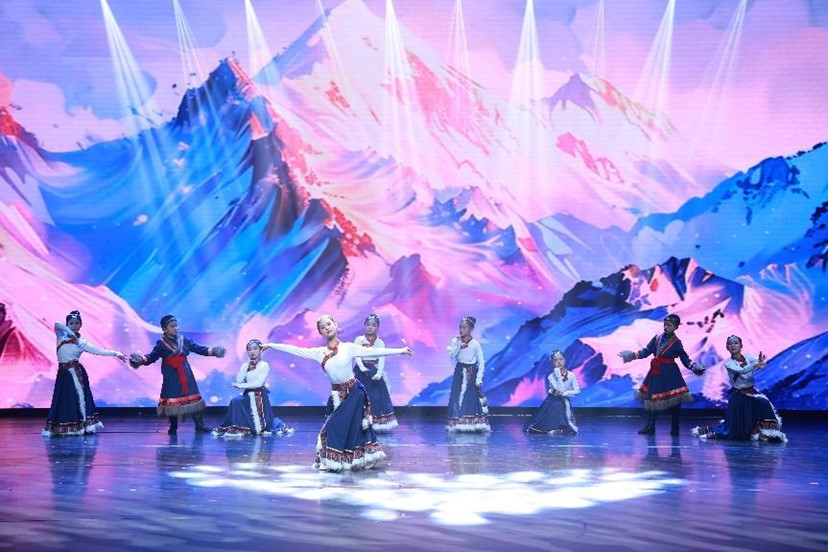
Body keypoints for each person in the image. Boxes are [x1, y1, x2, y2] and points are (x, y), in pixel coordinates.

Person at [262, 314, 412, 471]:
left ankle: (360, 458)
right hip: (336, 396)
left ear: (336, 324)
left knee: (345, 428)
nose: (327, 328)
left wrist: (401, 350)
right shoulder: (319, 353)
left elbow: (376, 351)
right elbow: (295, 350)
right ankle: (347, 460)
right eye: (322, 327)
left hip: (354, 393)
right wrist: (271, 345)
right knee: (344, 429)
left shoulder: (349, 348)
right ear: (320, 332)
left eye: (329, 324)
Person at [129, 315, 225, 434]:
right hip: (171, 375)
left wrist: (214, 351)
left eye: (176, 326)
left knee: (193, 399)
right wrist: (140, 359)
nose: (176, 328)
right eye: (172, 326)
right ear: (164, 329)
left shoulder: (184, 340)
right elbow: (151, 357)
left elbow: (199, 349)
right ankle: (173, 427)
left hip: (185, 372)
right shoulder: (161, 344)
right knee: (172, 401)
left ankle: (199, 425)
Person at [42, 310, 126, 437]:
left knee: (77, 399)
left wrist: (116, 353)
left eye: (77, 323)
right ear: (67, 324)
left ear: (80, 325)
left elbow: (99, 351)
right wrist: (71, 334)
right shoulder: (61, 337)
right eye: (71, 323)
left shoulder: (81, 343)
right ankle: (62, 426)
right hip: (63, 374)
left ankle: (82, 425)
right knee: (62, 400)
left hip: (75, 373)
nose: (74, 326)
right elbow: (57, 324)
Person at [618, 314, 705, 436]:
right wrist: (632, 355)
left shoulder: (676, 343)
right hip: (656, 372)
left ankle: (675, 427)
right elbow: (646, 351)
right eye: (665, 324)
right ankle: (650, 426)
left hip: (670, 373)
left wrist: (693, 366)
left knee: (675, 400)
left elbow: (684, 358)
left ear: (676, 327)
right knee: (651, 399)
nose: (666, 327)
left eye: (669, 325)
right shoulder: (657, 338)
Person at [692, 335, 786, 442]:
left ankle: (767, 433)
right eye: (730, 343)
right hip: (739, 396)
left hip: (751, 393)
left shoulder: (749, 358)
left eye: (736, 343)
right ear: (727, 347)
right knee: (735, 432)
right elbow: (742, 370)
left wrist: (761, 363)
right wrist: (755, 365)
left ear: (741, 345)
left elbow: (760, 364)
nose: (733, 345)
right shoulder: (729, 363)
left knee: (764, 403)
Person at [212, 339, 293, 437]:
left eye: (255, 349)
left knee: (238, 401)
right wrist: (245, 367)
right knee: (235, 401)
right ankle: (239, 426)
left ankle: (262, 426)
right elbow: (238, 380)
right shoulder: (246, 365)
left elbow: (259, 384)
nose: (252, 351)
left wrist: (241, 386)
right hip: (248, 394)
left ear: (260, 350)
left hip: (259, 395)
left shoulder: (264, 365)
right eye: (249, 349)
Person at [353, 314, 397, 431]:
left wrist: (379, 373)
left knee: (376, 397)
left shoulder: (380, 343)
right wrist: (361, 367)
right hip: (360, 372)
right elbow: (357, 355)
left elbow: (382, 358)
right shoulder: (359, 340)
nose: (370, 327)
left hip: (373, 371)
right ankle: (358, 423)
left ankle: (375, 423)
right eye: (368, 324)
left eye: (373, 325)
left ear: (377, 327)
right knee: (359, 397)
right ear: (364, 326)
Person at [446, 316, 490, 432]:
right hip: (459, 371)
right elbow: (452, 356)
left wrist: (479, 378)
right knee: (456, 395)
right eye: (460, 327)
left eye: (464, 327)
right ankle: (457, 423)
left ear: (470, 329)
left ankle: (469, 424)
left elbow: (481, 361)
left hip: (471, 371)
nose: (461, 330)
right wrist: (458, 346)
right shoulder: (455, 341)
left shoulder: (475, 344)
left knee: (469, 397)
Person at [524, 350, 580, 435]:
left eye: (561, 359)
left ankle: (560, 427)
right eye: (555, 360)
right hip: (552, 400)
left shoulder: (571, 375)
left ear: (564, 360)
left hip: (563, 401)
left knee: (560, 407)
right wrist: (557, 374)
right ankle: (552, 427)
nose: (559, 362)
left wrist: (566, 393)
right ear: (553, 363)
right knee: (553, 408)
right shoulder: (551, 376)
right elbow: (557, 388)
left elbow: (577, 390)